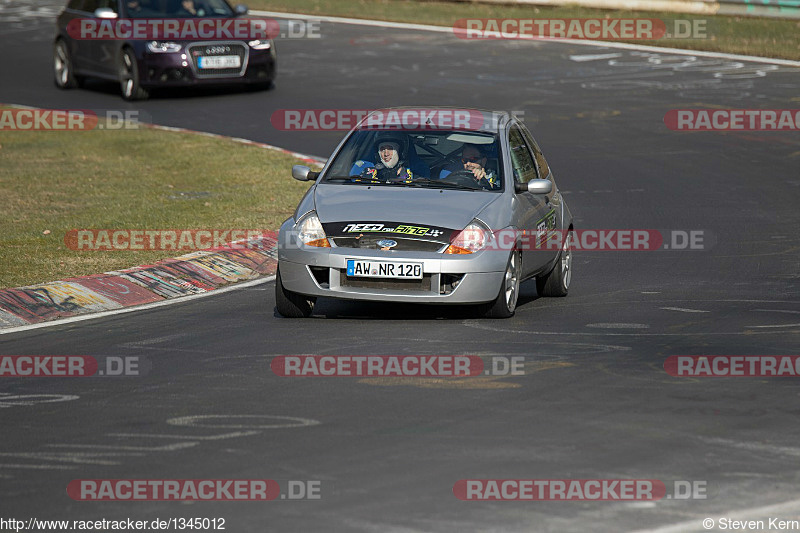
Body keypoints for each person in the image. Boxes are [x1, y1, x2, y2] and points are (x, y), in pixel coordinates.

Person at [350, 134, 415, 183]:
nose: (386, 154)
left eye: (390, 149)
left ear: (399, 152)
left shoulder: (412, 175)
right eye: (382, 149)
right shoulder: (367, 174)